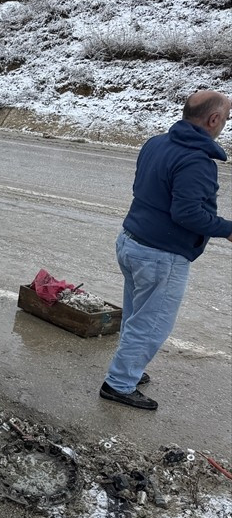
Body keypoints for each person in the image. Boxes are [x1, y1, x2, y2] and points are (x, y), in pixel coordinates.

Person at [100, 90, 232, 410]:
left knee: (136, 316)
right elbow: (187, 214)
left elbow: (141, 189)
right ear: (213, 119)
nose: (226, 123)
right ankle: (119, 383)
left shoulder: (156, 143)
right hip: (160, 256)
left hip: (131, 241)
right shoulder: (197, 161)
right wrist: (228, 230)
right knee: (151, 324)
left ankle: (128, 369)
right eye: (226, 118)